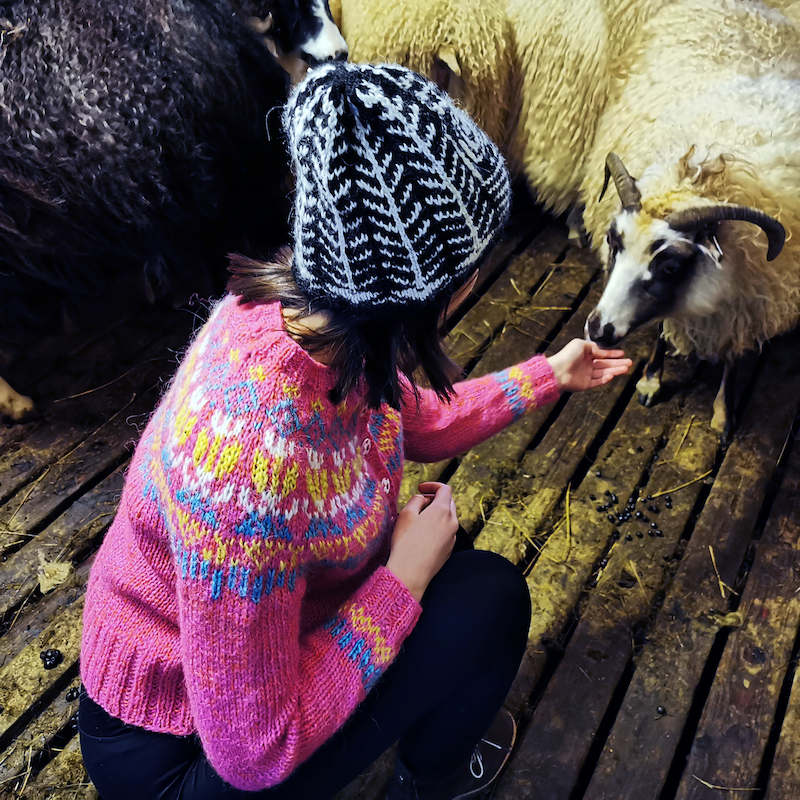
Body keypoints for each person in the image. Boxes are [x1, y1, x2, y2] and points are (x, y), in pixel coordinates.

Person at [78, 61, 631, 800]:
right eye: (476, 263)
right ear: (434, 288)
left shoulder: (308, 318)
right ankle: (432, 778)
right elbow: (253, 752)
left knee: (458, 574)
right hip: (177, 751)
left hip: (230, 670)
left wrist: (549, 375)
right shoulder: (250, 476)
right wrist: (404, 578)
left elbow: (413, 416)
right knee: (490, 600)